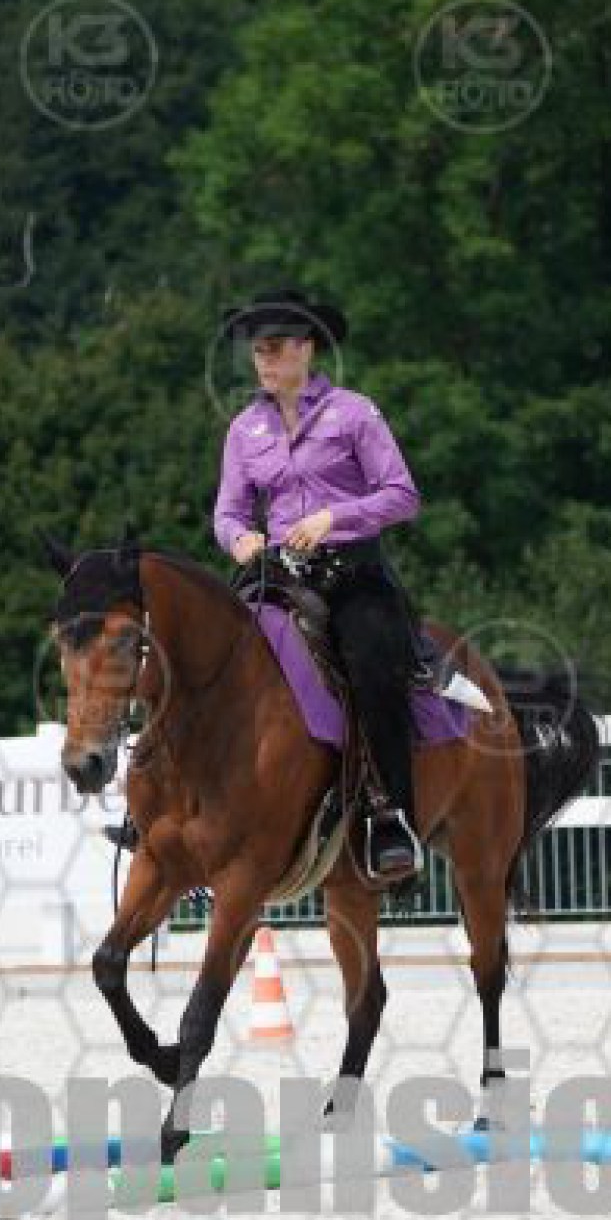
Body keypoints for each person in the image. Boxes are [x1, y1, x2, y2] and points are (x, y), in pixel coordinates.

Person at [211, 287, 425, 883]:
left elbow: (403, 495)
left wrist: (335, 517)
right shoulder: (244, 429)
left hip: (352, 575)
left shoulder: (354, 413)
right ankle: (180, 807)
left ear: (306, 348)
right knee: (208, 661)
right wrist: (240, 540)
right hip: (275, 575)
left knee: (373, 670)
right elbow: (227, 512)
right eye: (258, 350)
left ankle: (390, 818)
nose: (265, 359)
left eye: (276, 347)